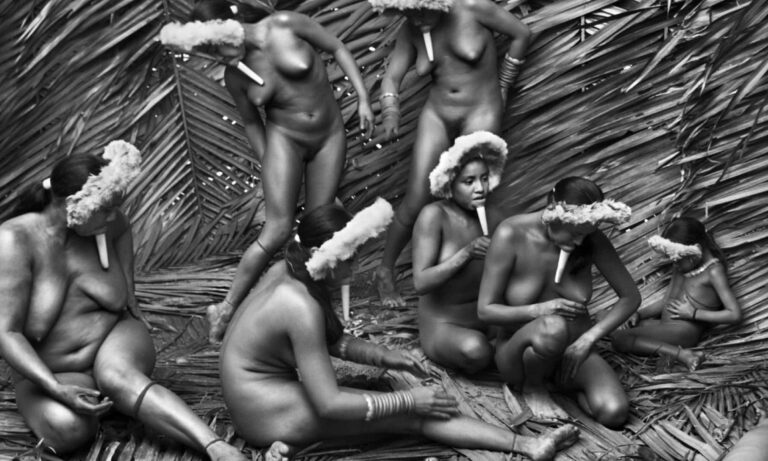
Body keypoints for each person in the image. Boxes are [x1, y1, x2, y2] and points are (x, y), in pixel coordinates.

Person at [219, 199, 580, 461]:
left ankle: (291, 444)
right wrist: (409, 400)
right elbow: (329, 403)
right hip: (262, 410)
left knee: (396, 406)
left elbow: (334, 340)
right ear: (321, 256)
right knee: (415, 417)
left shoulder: (289, 270)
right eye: (349, 259)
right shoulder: (299, 305)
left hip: (256, 395)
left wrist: (387, 357)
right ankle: (528, 446)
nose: (355, 267)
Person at [0, 142, 248, 459]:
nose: (114, 216)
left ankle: (215, 446)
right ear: (72, 205)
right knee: (68, 429)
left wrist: (128, 291)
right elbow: (6, 333)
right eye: (105, 209)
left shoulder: (107, 224)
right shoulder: (14, 241)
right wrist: (55, 388)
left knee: (116, 377)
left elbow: (121, 227)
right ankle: (111, 398)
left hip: (115, 342)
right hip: (55, 372)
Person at [161, 0, 376, 342]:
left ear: (232, 21)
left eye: (219, 45)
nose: (220, 57)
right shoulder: (235, 76)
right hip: (284, 140)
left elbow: (336, 46)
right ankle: (225, 309)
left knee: (318, 225)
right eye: (210, 52)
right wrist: (269, 162)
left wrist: (363, 98)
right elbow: (251, 122)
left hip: (329, 135)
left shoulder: (285, 24)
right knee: (277, 229)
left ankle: (318, 311)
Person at [368, 0, 531, 307]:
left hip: (481, 110)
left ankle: (482, 281)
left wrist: (504, 84)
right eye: (408, 14)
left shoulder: (473, 7)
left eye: (422, 11)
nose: (417, 20)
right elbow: (391, 77)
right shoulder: (411, 29)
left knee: (475, 195)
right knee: (416, 198)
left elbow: (522, 34)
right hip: (437, 114)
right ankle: (385, 271)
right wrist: (390, 112)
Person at [478, 177, 640, 428]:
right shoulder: (511, 233)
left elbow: (631, 297)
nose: (579, 242)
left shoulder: (590, 239)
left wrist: (588, 339)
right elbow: (485, 311)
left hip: (573, 351)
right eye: (575, 233)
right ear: (553, 212)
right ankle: (534, 388)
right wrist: (538, 310)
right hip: (520, 357)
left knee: (614, 413)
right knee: (552, 326)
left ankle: (566, 388)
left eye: (586, 234)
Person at [412, 131, 507, 374]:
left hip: (489, 321)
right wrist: (466, 253)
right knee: (476, 350)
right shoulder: (435, 216)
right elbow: (421, 283)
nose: (480, 188)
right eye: (469, 181)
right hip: (445, 325)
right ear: (450, 184)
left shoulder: (495, 216)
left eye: (484, 179)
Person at [612, 217, 741, 371]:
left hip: (683, 332)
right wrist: (639, 314)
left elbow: (734, 314)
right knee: (607, 319)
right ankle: (668, 352)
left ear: (694, 250)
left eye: (678, 258)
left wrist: (693, 313)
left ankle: (684, 355)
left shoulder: (713, 272)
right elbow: (666, 302)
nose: (675, 262)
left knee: (619, 339)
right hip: (664, 326)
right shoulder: (681, 266)